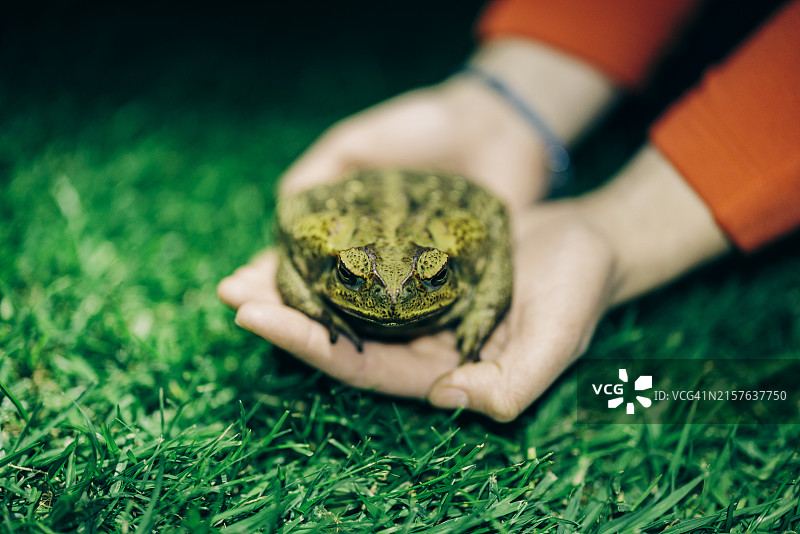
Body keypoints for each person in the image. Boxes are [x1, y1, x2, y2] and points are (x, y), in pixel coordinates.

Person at [218, 0, 800, 422]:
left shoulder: (467, 249)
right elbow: (293, 240)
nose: (394, 300)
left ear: (451, 268)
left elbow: (494, 243)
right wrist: (503, 110)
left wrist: (614, 230)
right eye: (352, 276)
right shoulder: (322, 249)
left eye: (431, 278)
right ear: (335, 266)